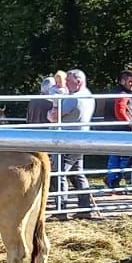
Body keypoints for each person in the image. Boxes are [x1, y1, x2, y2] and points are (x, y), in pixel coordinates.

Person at [54, 69, 95, 214]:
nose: (66, 83)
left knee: (59, 173)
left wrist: (51, 112)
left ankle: (61, 209)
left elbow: (54, 116)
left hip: (68, 140)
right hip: (81, 139)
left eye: (68, 81)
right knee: (77, 172)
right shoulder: (88, 95)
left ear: (78, 82)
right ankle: (85, 208)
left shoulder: (73, 98)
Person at [102, 70, 132, 189]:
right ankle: (113, 179)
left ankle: (112, 179)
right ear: (123, 81)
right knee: (130, 156)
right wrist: (130, 124)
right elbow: (120, 111)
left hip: (113, 128)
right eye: (130, 81)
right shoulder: (123, 94)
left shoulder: (116, 92)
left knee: (115, 156)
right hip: (122, 130)